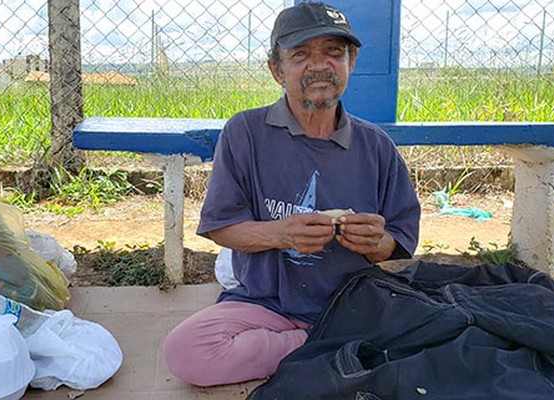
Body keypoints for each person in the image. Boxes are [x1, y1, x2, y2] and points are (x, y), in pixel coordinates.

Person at [163, 1, 420, 387]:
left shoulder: (376, 146)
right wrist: (282, 234)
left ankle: (325, 345)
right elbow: (221, 227)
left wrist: (376, 243)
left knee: (435, 339)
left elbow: (400, 244)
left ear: (350, 61)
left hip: (352, 306)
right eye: (301, 55)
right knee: (185, 353)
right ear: (276, 70)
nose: (320, 66)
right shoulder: (246, 132)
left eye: (334, 53)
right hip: (267, 304)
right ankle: (321, 347)